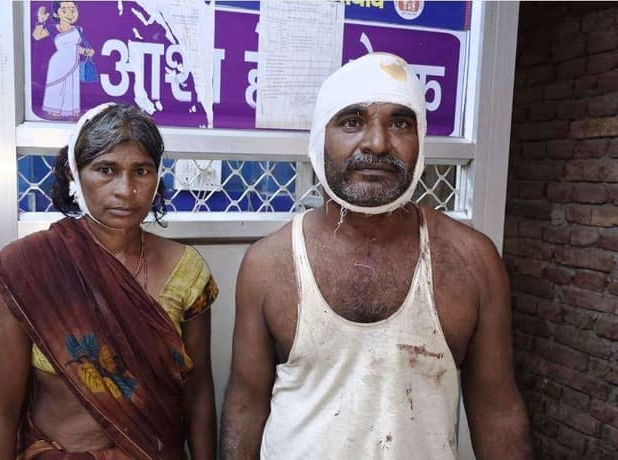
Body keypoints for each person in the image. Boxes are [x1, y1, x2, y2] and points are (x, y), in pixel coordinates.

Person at [220, 53, 533, 459]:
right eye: (352, 122)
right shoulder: (268, 263)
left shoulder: (472, 260)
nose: (377, 143)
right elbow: (246, 407)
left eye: (400, 123)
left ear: (420, 139)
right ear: (319, 137)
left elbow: (498, 412)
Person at [0, 103, 218, 459]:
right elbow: (0, 414)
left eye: (141, 171)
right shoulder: (24, 272)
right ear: (74, 173)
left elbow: (198, 395)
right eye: (106, 170)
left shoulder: (186, 271)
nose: (125, 189)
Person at [32, 1, 95, 118]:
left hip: (73, 62)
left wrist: (87, 51)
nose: (70, 13)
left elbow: (77, 48)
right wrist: (41, 22)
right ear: (56, 14)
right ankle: (54, 109)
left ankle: (70, 110)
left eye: (73, 10)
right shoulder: (52, 28)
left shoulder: (78, 30)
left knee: (71, 86)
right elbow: (37, 36)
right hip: (58, 63)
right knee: (57, 86)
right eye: (65, 10)